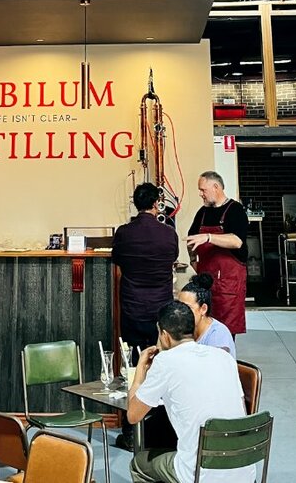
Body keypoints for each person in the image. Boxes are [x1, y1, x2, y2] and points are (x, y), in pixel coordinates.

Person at [127, 301, 253, 483]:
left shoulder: (165, 362)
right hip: (244, 470)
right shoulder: (223, 357)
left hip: (199, 474)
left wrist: (139, 373)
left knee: (139, 465)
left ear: (164, 335)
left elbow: (133, 415)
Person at [111, 182, 179, 450]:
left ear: (135, 204)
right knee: (162, 368)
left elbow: (117, 260)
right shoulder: (167, 234)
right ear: (155, 204)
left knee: (133, 370)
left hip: (132, 308)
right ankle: (161, 431)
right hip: (161, 313)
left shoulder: (124, 234)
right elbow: (172, 258)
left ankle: (131, 431)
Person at [185, 171, 248, 337]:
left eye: (203, 190)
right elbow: (191, 239)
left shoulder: (235, 210)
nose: (200, 194)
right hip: (206, 283)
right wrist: (193, 260)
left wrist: (209, 237)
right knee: (202, 331)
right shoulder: (203, 213)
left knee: (224, 334)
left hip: (228, 285)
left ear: (216, 187)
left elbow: (237, 241)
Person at [178, 273, 236, 358]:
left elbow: (216, 368)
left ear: (203, 309)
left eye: (187, 308)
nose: (180, 312)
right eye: (179, 306)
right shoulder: (181, 329)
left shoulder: (218, 335)